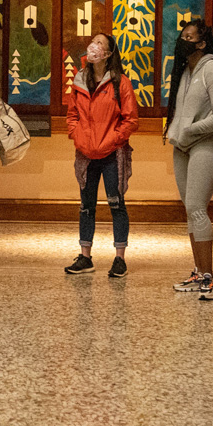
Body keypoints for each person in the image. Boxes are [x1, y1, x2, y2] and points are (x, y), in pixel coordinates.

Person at [163, 19, 213, 301]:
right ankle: (198, 270)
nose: (183, 41)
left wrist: (190, 130)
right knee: (191, 210)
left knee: (196, 207)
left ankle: (208, 277)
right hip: (183, 147)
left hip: (207, 145)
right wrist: (177, 133)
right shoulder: (186, 71)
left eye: (189, 37)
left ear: (202, 43)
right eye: (182, 36)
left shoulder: (212, 69)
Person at [64, 33, 140, 278]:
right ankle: (85, 257)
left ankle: (119, 260)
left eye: (100, 44)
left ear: (108, 54)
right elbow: (72, 115)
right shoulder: (79, 80)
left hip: (111, 154)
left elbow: (131, 120)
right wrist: (77, 135)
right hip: (85, 153)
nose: (93, 46)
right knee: (86, 206)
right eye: (93, 41)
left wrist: (113, 139)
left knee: (116, 204)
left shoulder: (121, 83)